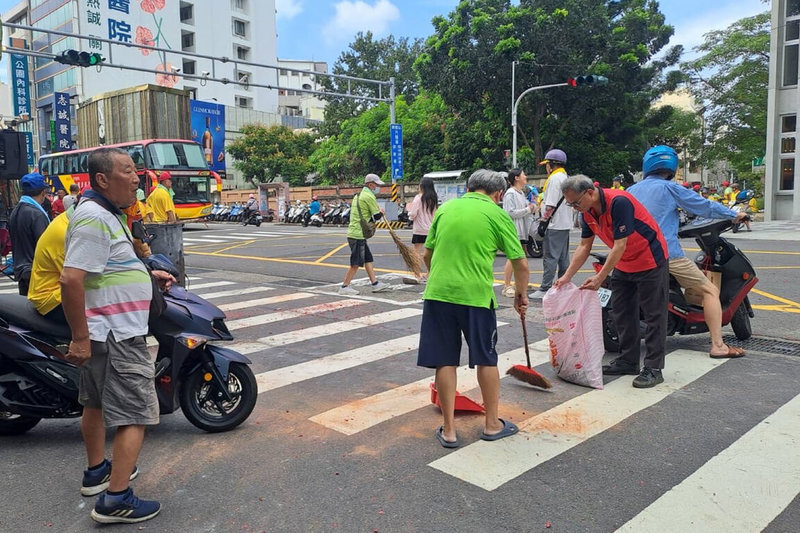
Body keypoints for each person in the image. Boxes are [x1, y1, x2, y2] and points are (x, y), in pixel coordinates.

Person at [60, 147, 175, 524]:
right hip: (115, 334)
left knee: (94, 403)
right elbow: (71, 278)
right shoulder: (94, 217)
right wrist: (79, 337)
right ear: (102, 180)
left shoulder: (104, 213)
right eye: (127, 171)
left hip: (103, 330)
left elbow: (104, 268)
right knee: (136, 413)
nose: (136, 177)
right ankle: (116, 499)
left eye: (135, 170)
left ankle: (97, 473)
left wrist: (145, 274)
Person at [418, 169, 529, 447]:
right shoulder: (497, 214)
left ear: (468, 187)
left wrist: (442, 280)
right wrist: (521, 295)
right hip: (476, 299)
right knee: (486, 358)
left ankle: (449, 430)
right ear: (498, 194)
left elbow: (427, 255)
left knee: (445, 360)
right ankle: (492, 425)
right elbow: (521, 263)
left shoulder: (445, 209)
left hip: (439, 296)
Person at [630, 146, 749, 359]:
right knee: (710, 291)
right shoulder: (670, 188)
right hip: (665, 254)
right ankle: (718, 346)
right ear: (672, 166)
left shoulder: (631, 190)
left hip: (633, 256)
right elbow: (703, 206)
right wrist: (734, 214)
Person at [554, 175, 670, 388]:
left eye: (576, 202)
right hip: (623, 263)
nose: (574, 207)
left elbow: (620, 244)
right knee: (622, 312)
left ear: (590, 191)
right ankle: (628, 360)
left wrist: (600, 277)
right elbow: (584, 246)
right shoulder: (587, 212)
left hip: (649, 259)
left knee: (654, 315)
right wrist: (566, 276)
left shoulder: (619, 202)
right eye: (570, 204)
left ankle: (653, 367)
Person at [530, 149, 571, 299]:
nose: (546, 168)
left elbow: (550, 205)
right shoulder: (565, 176)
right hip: (564, 223)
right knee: (563, 258)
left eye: (547, 165)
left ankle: (545, 288)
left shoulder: (554, 179)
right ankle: (563, 286)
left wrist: (543, 223)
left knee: (550, 257)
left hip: (554, 224)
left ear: (552, 165)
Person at [339, 174, 389, 295]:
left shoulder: (358, 195)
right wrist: (381, 212)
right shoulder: (369, 196)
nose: (378, 187)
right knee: (356, 263)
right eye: (376, 184)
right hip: (358, 234)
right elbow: (376, 216)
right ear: (371, 184)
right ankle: (344, 287)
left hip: (355, 232)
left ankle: (375, 284)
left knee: (368, 259)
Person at [8, 173, 51, 296]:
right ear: (43, 193)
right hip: (36, 272)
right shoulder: (36, 214)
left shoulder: (16, 211)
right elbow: (45, 246)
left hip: (21, 271)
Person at [501, 169, 536, 297]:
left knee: (521, 256)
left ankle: (520, 283)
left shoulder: (520, 193)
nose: (525, 176)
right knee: (513, 257)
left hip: (522, 230)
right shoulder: (510, 193)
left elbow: (527, 209)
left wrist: (532, 207)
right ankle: (506, 286)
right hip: (514, 230)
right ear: (516, 178)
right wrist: (528, 209)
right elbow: (509, 212)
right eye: (523, 175)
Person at [406, 176, 438, 282]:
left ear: (422, 186)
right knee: (430, 253)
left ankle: (417, 274)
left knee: (416, 252)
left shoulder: (418, 198)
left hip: (419, 229)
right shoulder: (433, 198)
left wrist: (409, 214)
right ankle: (429, 273)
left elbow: (413, 214)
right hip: (431, 229)